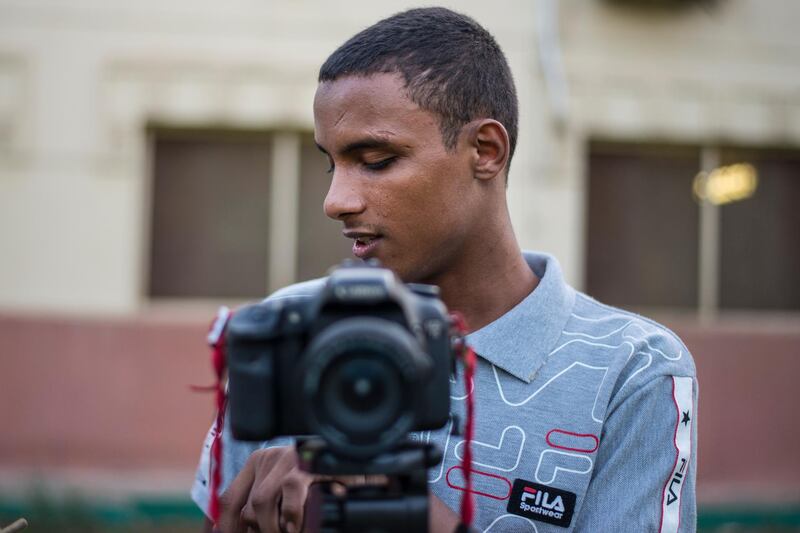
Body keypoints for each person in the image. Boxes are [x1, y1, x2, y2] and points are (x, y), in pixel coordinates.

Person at [192, 7, 697, 533]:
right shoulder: (285, 327)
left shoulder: (633, 371)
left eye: (376, 159)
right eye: (331, 163)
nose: (335, 200)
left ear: (486, 151)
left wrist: (407, 518)